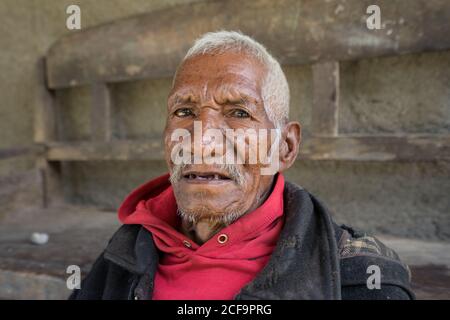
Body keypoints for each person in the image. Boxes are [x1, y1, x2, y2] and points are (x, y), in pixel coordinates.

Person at [70, 31, 414, 300]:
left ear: (286, 146)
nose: (201, 141)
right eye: (184, 112)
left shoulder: (359, 278)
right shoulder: (124, 254)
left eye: (238, 113)